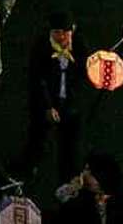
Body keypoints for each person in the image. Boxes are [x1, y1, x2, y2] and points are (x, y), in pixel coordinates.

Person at [22, 11, 88, 184]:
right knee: (37, 137)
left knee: (70, 147)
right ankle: (28, 167)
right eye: (57, 33)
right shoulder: (41, 47)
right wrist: (47, 107)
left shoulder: (80, 46)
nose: (62, 37)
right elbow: (36, 81)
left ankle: (68, 180)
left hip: (70, 103)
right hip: (47, 101)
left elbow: (84, 74)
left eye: (65, 33)